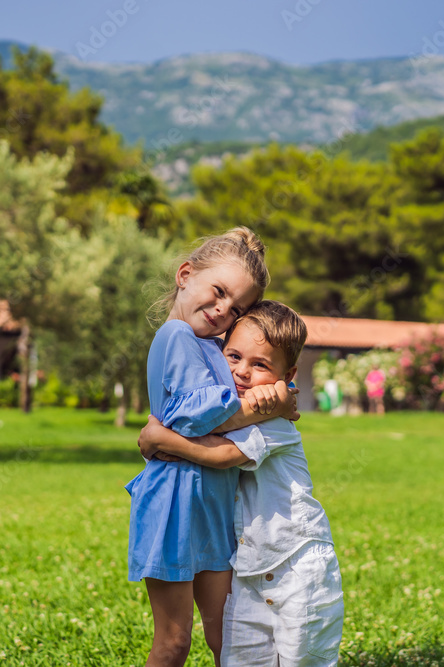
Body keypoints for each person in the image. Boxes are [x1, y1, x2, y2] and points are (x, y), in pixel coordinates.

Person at [126, 229, 301, 667]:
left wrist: (276, 394)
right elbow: (196, 417)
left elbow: (253, 381)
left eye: (236, 308)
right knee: (173, 642)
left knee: (229, 635)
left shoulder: (214, 347)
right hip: (174, 504)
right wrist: (268, 408)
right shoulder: (177, 336)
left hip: (215, 508)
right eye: (219, 291)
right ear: (185, 275)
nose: (223, 309)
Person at [139, 300, 344, 666]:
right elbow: (206, 426)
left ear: (288, 373)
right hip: (251, 565)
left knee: (302, 658)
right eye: (233, 356)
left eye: (260, 364)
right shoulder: (243, 409)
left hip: (296, 563)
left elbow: (222, 455)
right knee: (245, 657)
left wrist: (160, 438)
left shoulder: (274, 421)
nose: (242, 372)